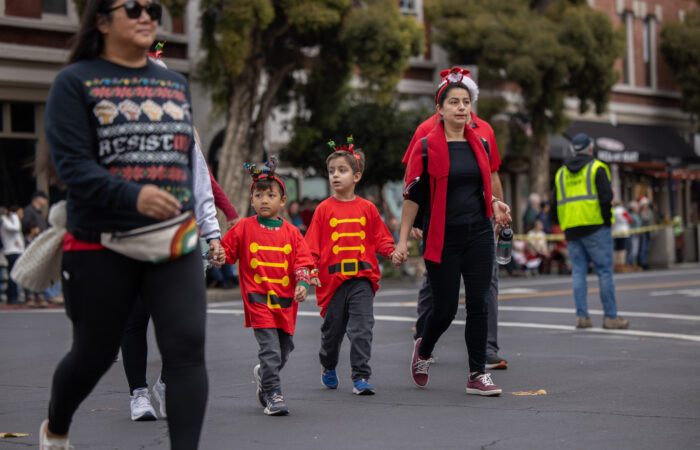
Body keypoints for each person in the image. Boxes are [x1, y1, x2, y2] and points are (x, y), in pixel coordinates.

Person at [40, 1, 208, 448]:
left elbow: (183, 163)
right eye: (131, 7)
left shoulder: (175, 84)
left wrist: (199, 221)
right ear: (100, 20)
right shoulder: (73, 83)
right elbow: (72, 168)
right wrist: (134, 195)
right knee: (92, 355)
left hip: (174, 240)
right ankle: (56, 428)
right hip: (100, 241)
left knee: (187, 352)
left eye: (152, 7)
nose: (145, 14)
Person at [393, 71, 511, 395]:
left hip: (479, 233)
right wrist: (402, 241)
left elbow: (481, 188)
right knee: (443, 311)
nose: (461, 108)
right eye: (454, 102)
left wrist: (497, 203)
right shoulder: (426, 147)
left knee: (479, 303)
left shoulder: (481, 143)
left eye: (466, 102)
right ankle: (425, 349)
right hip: (442, 236)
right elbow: (412, 197)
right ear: (440, 108)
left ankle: (477, 374)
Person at [221, 157, 314, 416]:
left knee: (284, 350)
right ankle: (273, 394)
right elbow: (227, 253)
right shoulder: (243, 227)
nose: (264, 199)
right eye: (258, 194)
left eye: (270, 194)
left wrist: (303, 283)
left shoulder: (293, 232)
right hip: (258, 300)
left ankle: (264, 373)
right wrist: (216, 254)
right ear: (251, 200)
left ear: (282, 201)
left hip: (285, 303)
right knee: (270, 350)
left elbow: (303, 262)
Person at [305, 137, 395, 395]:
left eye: (342, 170)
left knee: (362, 329)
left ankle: (361, 376)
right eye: (331, 171)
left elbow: (381, 239)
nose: (335, 176)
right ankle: (328, 365)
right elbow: (310, 247)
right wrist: (310, 271)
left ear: (356, 176)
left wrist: (392, 253)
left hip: (362, 278)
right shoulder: (322, 209)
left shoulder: (367, 208)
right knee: (332, 335)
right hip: (332, 284)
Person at [553, 133, 629, 330]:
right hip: (596, 227)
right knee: (604, 272)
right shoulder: (597, 168)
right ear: (590, 148)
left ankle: (582, 317)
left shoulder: (561, 173)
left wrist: (564, 222)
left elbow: (554, 206)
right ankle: (610, 317)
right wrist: (606, 222)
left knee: (578, 272)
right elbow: (606, 199)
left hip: (571, 229)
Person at [0, 206, 25, 305]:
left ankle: (14, 295)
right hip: (11, 251)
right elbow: (15, 228)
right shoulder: (4, 220)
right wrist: (14, 217)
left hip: (15, 249)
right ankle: (12, 296)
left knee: (13, 274)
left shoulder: (6, 220)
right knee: (13, 275)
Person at [611, 200, 632, 271]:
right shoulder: (623, 211)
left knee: (616, 248)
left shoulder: (613, 211)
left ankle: (616, 264)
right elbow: (630, 220)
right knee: (623, 248)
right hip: (623, 232)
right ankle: (621, 264)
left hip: (615, 232)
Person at [638, 196, 655, 269]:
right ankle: (642, 262)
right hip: (642, 232)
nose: (645, 206)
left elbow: (650, 219)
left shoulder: (649, 211)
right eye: (644, 204)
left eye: (646, 204)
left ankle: (645, 261)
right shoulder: (640, 212)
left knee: (647, 248)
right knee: (643, 247)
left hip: (648, 232)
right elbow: (642, 219)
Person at [626, 200, 641, 268]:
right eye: (636, 207)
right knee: (631, 249)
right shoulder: (631, 215)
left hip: (636, 234)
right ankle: (630, 263)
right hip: (632, 234)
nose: (638, 208)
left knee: (635, 249)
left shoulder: (636, 215)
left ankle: (634, 263)